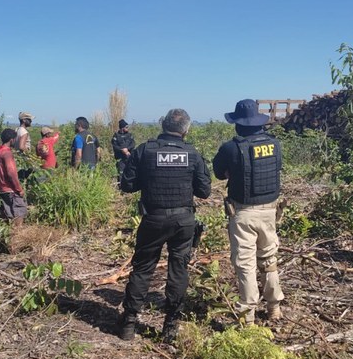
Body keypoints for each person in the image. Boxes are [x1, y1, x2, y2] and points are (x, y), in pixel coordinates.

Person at [119, 108, 211, 342]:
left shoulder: (145, 150)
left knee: (143, 269)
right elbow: (204, 191)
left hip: (153, 219)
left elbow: (127, 184)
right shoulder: (192, 154)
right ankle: (170, 326)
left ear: (162, 125)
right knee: (178, 269)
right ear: (186, 130)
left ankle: (129, 323)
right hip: (183, 221)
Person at [212, 98, 284, 325]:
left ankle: (248, 316)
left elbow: (219, 174)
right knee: (268, 259)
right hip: (270, 212)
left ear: (238, 124)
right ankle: (274, 308)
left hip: (243, 213)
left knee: (245, 265)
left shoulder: (230, 147)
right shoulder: (275, 144)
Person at [0, 128, 28, 226]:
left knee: (8, 214)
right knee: (19, 212)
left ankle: (9, 235)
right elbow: (11, 173)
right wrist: (19, 189)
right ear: (11, 140)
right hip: (10, 189)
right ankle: (17, 234)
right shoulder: (7, 153)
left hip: (2, 188)